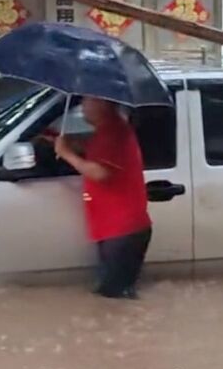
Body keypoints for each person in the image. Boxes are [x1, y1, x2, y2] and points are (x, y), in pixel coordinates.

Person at [52, 96, 152, 299]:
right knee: (114, 296)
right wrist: (71, 144)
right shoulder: (108, 131)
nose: (83, 107)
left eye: (87, 101)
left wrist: (66, 154)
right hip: (118, 229)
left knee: (114, 298)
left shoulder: (112, 133)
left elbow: (100, 172)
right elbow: (99, 156)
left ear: (103, 104)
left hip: (121, 230)